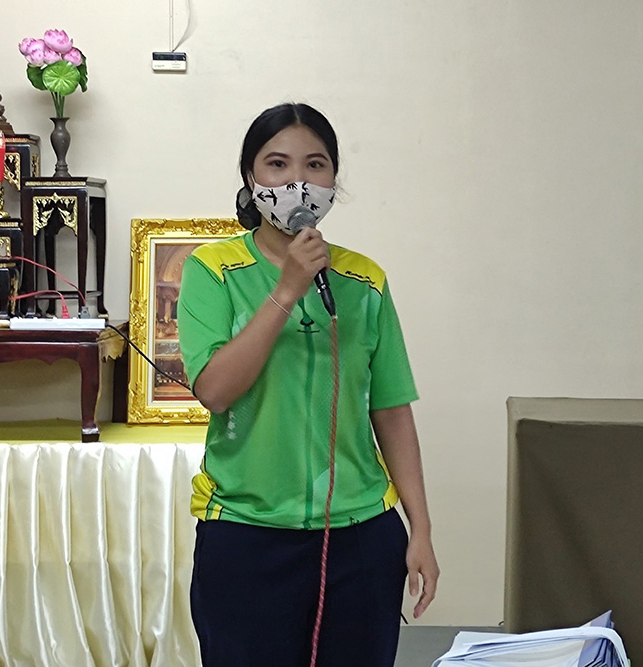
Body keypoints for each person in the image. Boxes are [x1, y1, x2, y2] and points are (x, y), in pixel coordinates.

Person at [177, 102, 439, 666]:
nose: (297, 181)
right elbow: (215, 391)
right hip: (245, 533)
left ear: (333, 180)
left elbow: (391, 410)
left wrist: (420, 528)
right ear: (251, 178)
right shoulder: (212, 270)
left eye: (315, 165)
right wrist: (287, 289)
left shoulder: (364, 280)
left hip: (361, 534)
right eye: (277, 164)